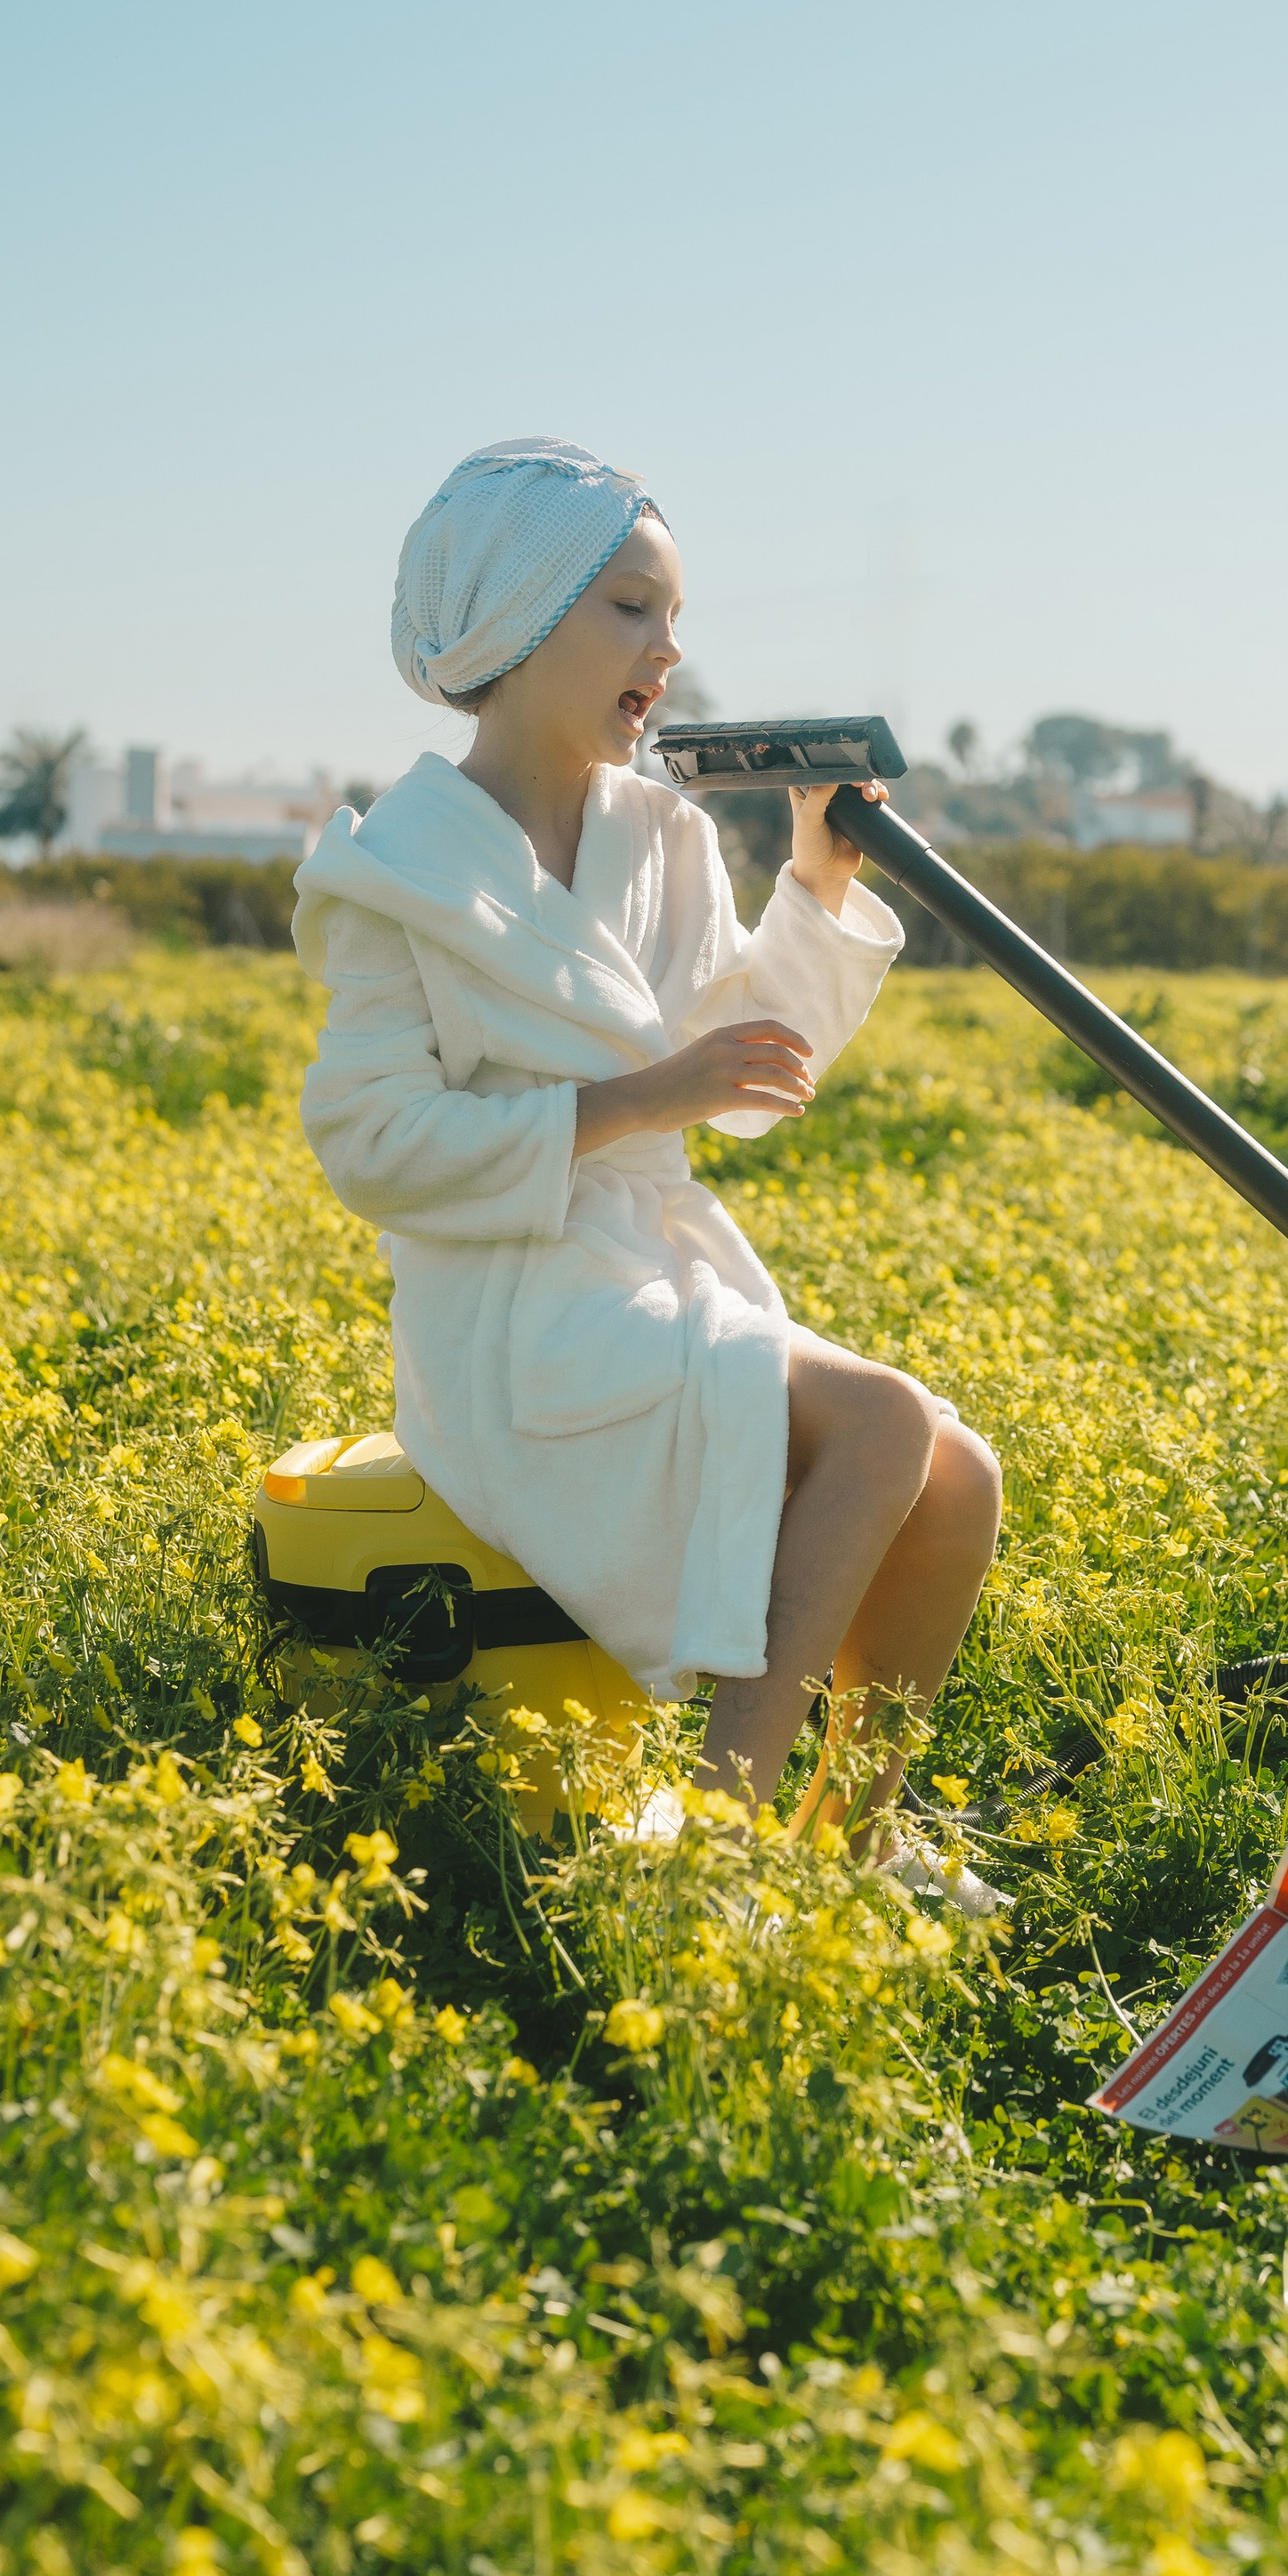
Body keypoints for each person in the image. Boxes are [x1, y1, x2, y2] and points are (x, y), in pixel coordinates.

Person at [291, 437, 1002, 1876]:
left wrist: (817, 875)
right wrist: (631, 1100)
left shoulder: (663, 837)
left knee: (959, 1472)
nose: (667, 653)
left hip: (645, 1280)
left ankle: (856, 1844)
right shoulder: (393, 875)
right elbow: (372, 1146)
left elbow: (740, 1076)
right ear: (518, 618)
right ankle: (727, 1852)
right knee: (880, 1422)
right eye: (631, 609)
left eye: (672, 620)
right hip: (511, 1313)